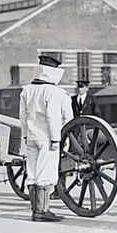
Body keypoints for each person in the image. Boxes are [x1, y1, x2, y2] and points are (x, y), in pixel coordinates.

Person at [19, 55, 73, 221]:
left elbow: (22, 115)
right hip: (47, 138)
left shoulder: (26, 90)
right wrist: (57, 139)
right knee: (46, 172)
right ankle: (43, 211)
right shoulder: (54, 91)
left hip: (32, 137)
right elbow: (53, 117)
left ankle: (35, 210)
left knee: (32, 173)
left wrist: (26, 136)